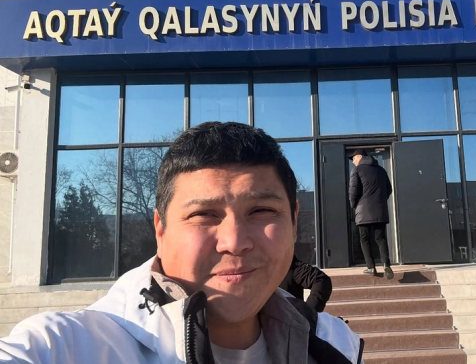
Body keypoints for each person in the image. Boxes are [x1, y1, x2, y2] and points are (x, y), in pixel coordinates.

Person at [0, 122, 364, 364]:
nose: (235, 242)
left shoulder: (335, 345)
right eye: (204, 215)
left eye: (262, 211)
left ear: (294, 221)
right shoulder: (67, 347)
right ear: (160, 229)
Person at [348, 149, 394, 280]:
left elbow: (353, 191)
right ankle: (386, 265)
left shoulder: (357, 170)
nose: (353, 162)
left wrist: (354, 205)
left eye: (354, 159)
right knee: (380, 238)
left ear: (359, 157)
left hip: (363, 210)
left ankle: (371, 267)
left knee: (364, 239)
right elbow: (389, 189)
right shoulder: (381, 170)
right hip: (380, 209)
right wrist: (380, 201)